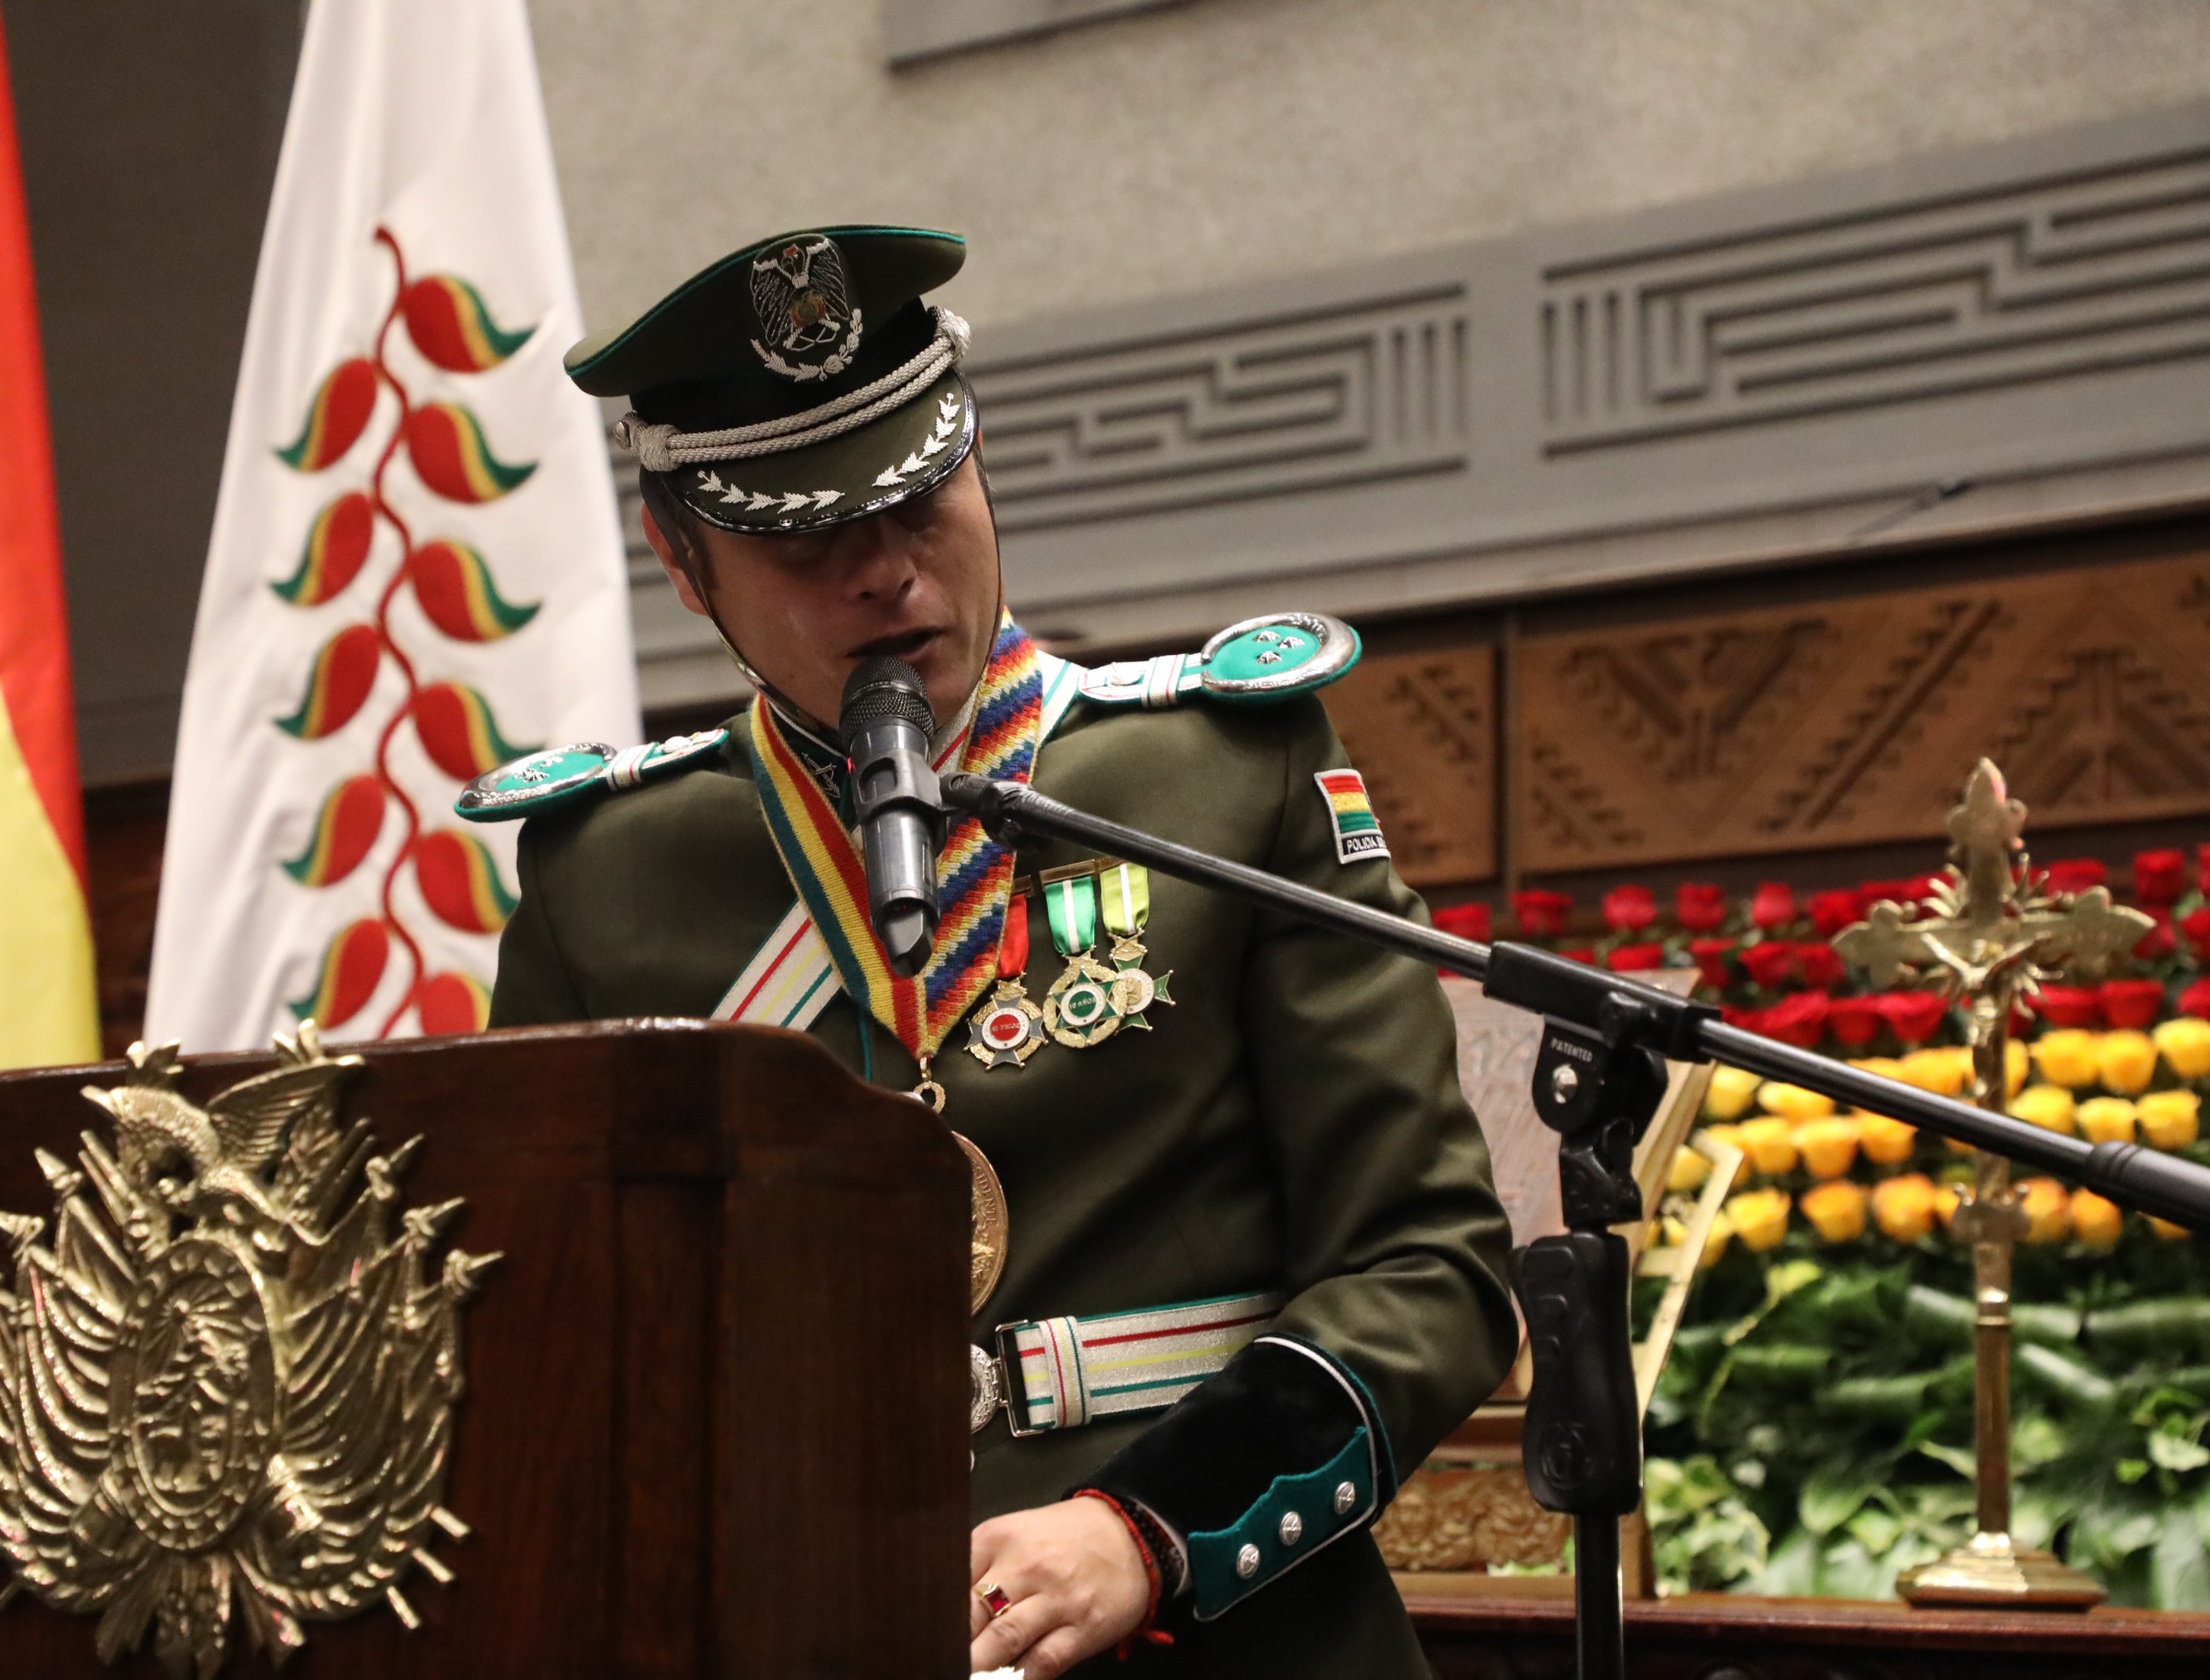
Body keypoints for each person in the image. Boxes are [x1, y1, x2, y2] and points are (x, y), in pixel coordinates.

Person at [470, 226, 1516, 1678]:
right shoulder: (607, 874)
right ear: (684, 561)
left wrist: (1147, 1532)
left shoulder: (1222, 773)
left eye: (920, 500)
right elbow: (553, 1351)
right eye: (809, 540)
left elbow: (1428, 1265)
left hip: (1227, 1630)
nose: (887, 576)